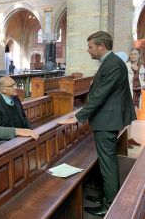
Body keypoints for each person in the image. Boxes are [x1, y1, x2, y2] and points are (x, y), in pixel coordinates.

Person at [58, 31, 136, 216]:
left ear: (102, 46)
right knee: (106, 160)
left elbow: (100, 95)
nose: (88, 50)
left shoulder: (113, 64)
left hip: (107, 120)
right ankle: (108, 196)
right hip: (106, 118)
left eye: (91, 46)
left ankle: (110, 204)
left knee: (107, 162)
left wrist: (77, 117)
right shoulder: (110, 62)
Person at [126, 48, 144, 147]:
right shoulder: (126, 66)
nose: (133, 56)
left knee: (132, 118)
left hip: (137, 95)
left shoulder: (142, 67)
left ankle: (129, 137)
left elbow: (143, 80)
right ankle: (125, 139)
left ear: (139, 55)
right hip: (129, 94)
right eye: (131, 54)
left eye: (135, 54)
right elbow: (123, 82)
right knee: (127, 118)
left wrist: (142, 85)